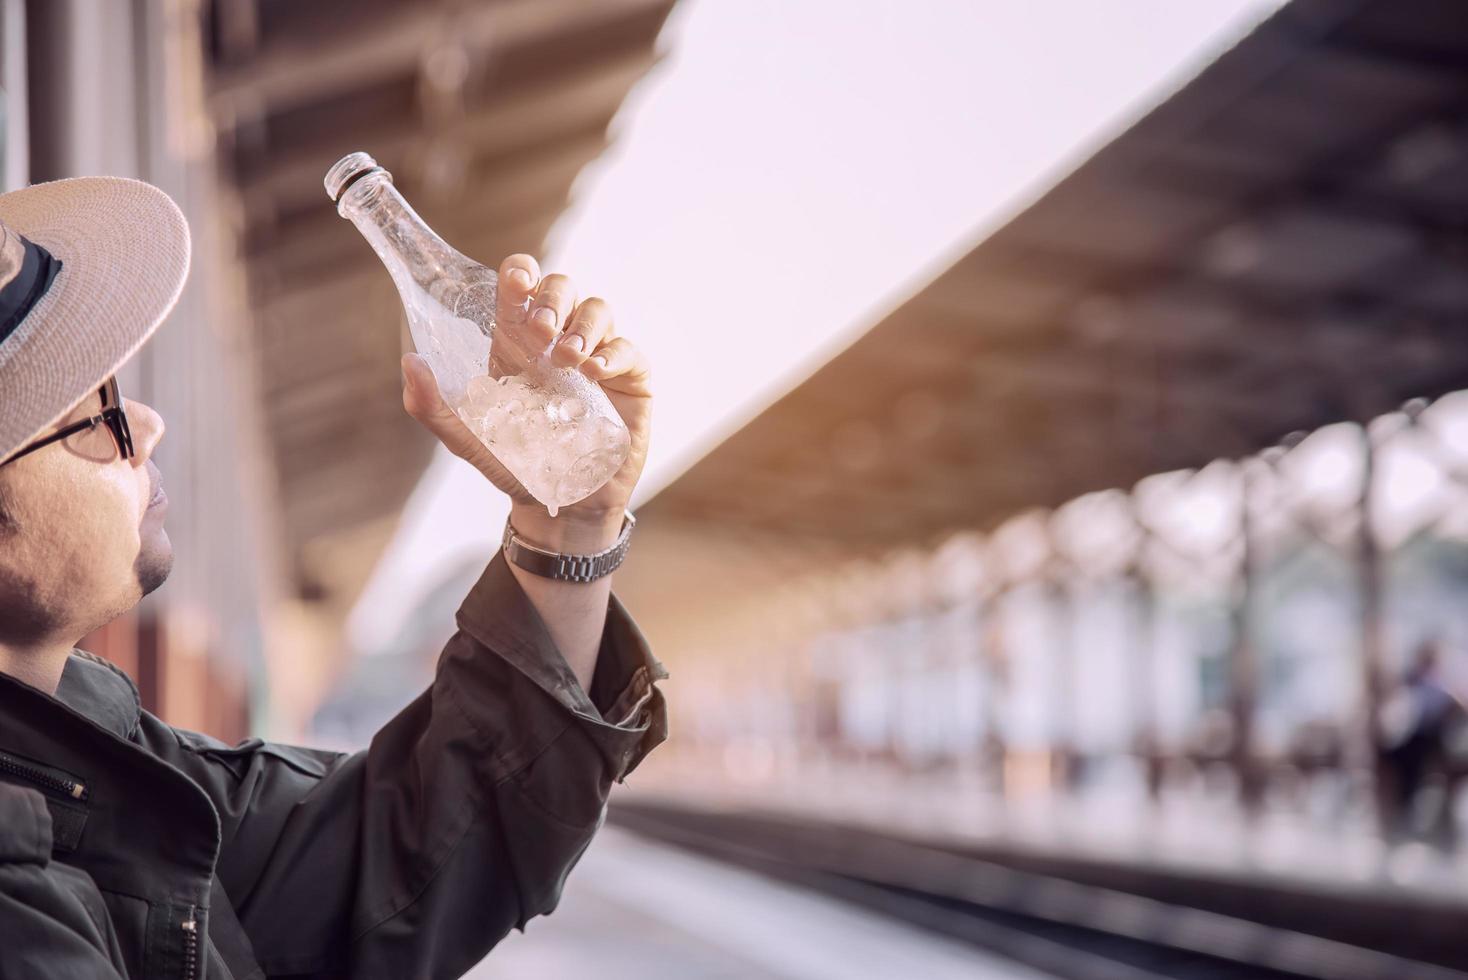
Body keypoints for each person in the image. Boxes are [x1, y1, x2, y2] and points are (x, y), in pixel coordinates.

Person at [0, 176, 666, 979]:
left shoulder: (95, 760)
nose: (146, 423)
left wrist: (570, 528)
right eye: (93, 414)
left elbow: (403, 854)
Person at [1377, 641, 1463, 843]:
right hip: (1413, 738)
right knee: (1396, 761)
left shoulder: (1441, 684)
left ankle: (1402, 816)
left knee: (1407, 765)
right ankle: (1399, 815)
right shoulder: (1413, 680)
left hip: (1429, 741)